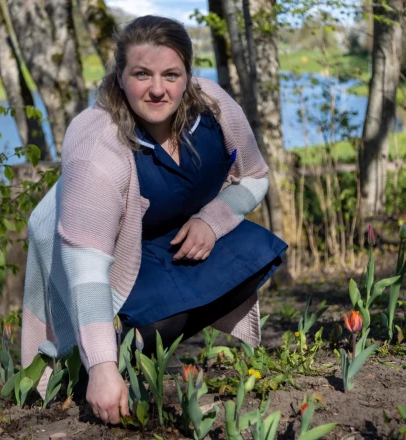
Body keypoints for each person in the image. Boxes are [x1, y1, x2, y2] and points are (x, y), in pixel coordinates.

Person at [20, 15, 287, 425]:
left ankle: (133, 344)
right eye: (142, 74)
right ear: (120, 76)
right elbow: (87, 266)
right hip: (90, 249)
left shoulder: (213, 106)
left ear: (188, 75)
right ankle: (100, 359)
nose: (158, 89)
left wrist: (212, 220)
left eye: (171, 74)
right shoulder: (98, 145)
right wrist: (104, 368)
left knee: (254, 252)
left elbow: (255, 176)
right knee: (107, 346)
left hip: (166, 234)